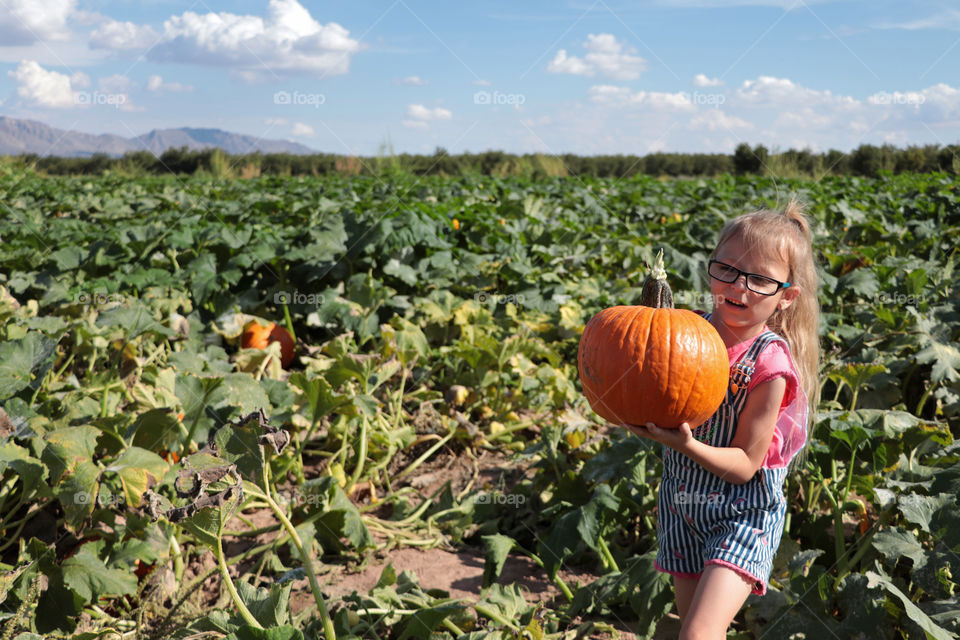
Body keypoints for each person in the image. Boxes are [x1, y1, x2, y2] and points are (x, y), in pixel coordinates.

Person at [624, 200, 819, 639]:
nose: (739, 286)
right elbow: (641, 383)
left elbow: (747, 465)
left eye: (760, 279)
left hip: (742, 515)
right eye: (726, 269)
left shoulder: (769, 364)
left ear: (786, 297)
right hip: (681, 507)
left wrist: (686, 444)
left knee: (697, 635)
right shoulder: (682, 332)